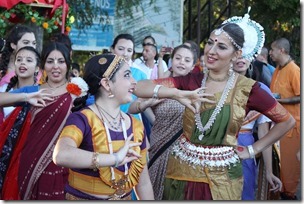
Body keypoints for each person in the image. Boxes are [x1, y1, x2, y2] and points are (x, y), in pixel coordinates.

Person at [132, 22, 295, 200]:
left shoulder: (248, 89)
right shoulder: (191, 81)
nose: (211, 50)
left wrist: (251, 150)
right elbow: (139, 87)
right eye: (210, 43)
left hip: (223, 178)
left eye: (221, 46)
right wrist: (176, 93)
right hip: (181, 173)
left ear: (237, 54)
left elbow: (287, 121)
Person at [52, 54, 154, 200]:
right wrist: (115, 158)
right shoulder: (82, 119)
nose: (134, 81)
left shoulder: (135, 126)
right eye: (127, 75)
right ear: (106, 84)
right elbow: (61, 155)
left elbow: (143, 184)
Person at [0, 42, 73, 200]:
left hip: (63, 164)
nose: (55, 66)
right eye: (50, 61)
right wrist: (26, 97)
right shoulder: (34, 91)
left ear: (68, 65)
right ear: (42, 67)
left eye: (60, 61)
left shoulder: (77, 94)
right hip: (29, 160)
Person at [224, 10, 281, 199]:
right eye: (237, 52)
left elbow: (264, 132)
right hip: (213, 149)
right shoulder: (214, 84)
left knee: (243, 193)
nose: (241, 58)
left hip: (244, 148)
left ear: (252, 56)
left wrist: (269, 172)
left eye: (245, 53)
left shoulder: (261, 90)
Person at [129, 44, 197, 200]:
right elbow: (132, 108)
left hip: (186, 152)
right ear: (171, 61)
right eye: (178, 58)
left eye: (187, 60)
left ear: (193, 66)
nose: (181, 62)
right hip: (159, 146)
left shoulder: (197, 89)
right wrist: (146, 105)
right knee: (154, 190)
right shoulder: (158, 85)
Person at [269, 37, 300, 200]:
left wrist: (279, 101)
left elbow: (300, 96)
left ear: (281, 50)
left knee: (289, 166)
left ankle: (290, 195)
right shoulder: (278, 69)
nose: (270, 53)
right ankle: (282, 192)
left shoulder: (294, 70)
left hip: (292, 125)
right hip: (278, 124)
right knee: (280, 164)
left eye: (272, 50)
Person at [0, 46, 40, 124]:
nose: (22, 62)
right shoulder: (3, 89)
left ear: (37, 68)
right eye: (19, 60)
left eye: (29, 60)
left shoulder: (39, 92)